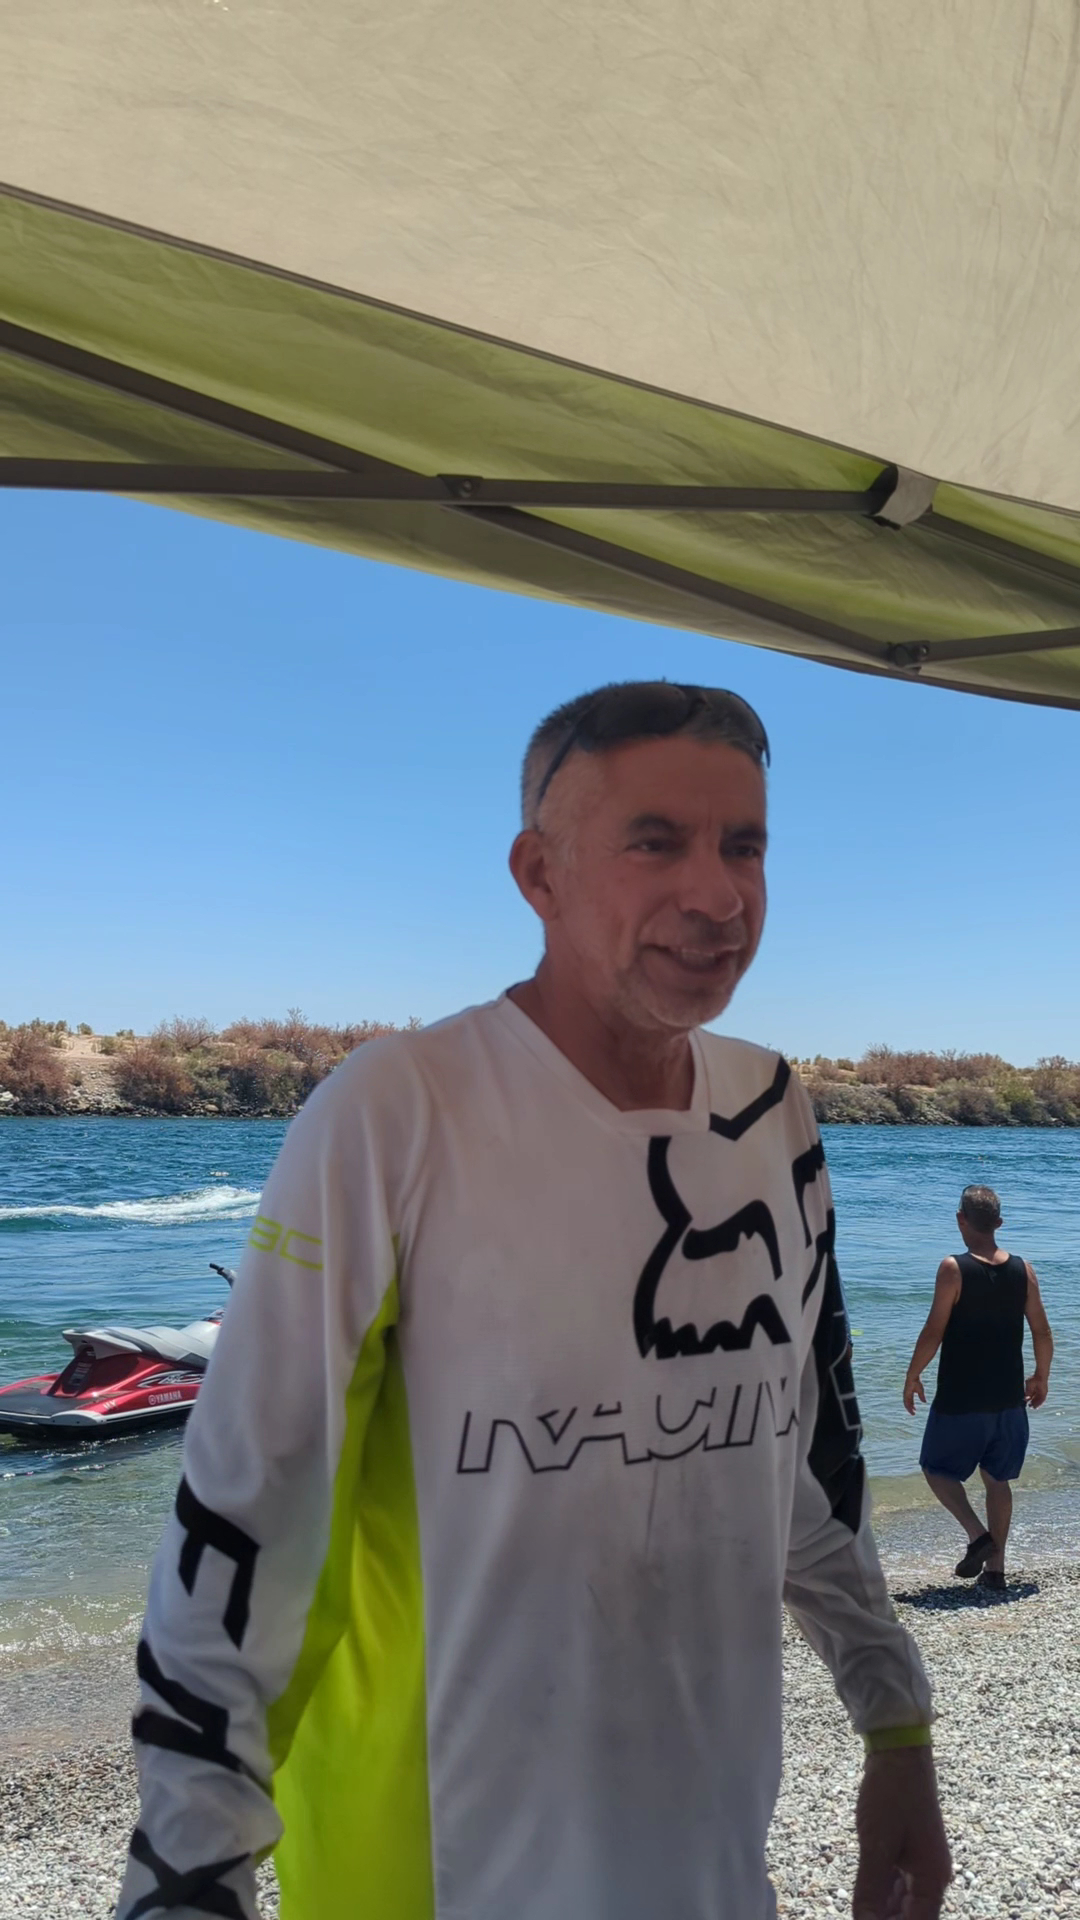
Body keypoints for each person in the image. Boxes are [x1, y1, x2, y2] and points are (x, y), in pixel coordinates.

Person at [117, 681, 951, 1920]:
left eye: (745, 846)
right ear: (538, 874)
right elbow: (243, 1520)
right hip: (434, 1875)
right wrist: (187, 1875)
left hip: (712, 1867)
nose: (718, 894)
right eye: (655, 842)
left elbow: (810, 1463)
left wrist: (895, 1725)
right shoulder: (396, 1111)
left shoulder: (772, 1111)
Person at [903, 1184, 1053, 1590]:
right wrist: (1041, 1376)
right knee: (997, 1479)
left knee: (936, 1469)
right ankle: (996, 1571)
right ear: (999, 1223)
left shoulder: (953, 1268)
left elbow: (934, 1330)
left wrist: (912, 1374)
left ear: (960, 1219)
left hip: (961, 1395)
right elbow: (1042, 1331)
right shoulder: (1024, 1270)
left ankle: (977, 1535)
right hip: (1008, 1397)